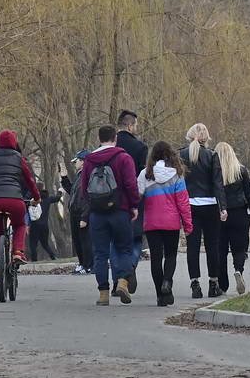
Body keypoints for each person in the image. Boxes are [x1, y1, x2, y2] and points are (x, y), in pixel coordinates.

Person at [80, 125, 140, 306]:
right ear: (115, 138)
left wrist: (93, 205)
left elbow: (84, 188)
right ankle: (122, 282)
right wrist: (134, 205)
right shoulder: (123, 158)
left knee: (100, 254)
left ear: (99, 138)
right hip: (120, 211)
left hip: (97, 214)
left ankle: (103, 294)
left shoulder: (89, 160)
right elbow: (130, 184)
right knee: (124, 249)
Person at [0, 130, 40, 285]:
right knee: (20, 224)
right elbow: (30, 180)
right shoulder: (18, 158)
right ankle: (18, 252)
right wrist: (37, 197)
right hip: (14, 200)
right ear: (14, 142)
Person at [138, 140, 193, 306]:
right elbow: (183, 203)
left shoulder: (145, 174)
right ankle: (167, 281)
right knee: (170, 255)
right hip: (171, 222)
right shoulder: (176, 175)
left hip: (152, 222)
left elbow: (136, 197)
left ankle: (160, 296)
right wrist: (188, 224)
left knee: (156, 258)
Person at [179, 123, 227, 298]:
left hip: (190, 205)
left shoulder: (181, 155)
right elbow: (217, 183)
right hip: (210, 205)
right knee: (212, 245)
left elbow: (178, 182)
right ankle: (213, 283)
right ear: (206, 137)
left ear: (189, 135)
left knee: (192, 246)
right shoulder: (212, 155)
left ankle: (195, 284)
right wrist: (223, 207)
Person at [216, 142, 250, 295]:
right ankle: (238, 270)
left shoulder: (215, 173)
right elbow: (249, 195)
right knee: (239, 248)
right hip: (240, 213)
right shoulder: (241, 171)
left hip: (220, 214)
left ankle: (223, 284)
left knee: (221, 250)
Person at [115, 110, 149, 293]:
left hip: (111, 199)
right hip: (134, 198)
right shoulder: (140, 147)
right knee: (135, 238)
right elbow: (143, 176)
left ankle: (117, 281)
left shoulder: (110, 145)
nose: (136, 128)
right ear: (129, 125)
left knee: (115, 241)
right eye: (135, 125)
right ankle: (129, 269)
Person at [67, 151, 92, 274]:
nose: (74, 164)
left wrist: (84, 217)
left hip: (82, 213)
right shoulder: (79, 176)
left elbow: (87, 198)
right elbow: (72, 192)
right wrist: (64, 178)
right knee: (78, 241)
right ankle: (82, 263)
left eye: (76, 161)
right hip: (75, 213)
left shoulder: (86, 176)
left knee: (85, 241)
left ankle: (88, 265)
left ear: (83, 161)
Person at [27, 182, 59, 261]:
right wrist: (60, 192)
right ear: (43, 188)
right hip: (44, 225)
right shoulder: (48, 199)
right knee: (45, 244)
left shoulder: (32, 199)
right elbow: (57, 198)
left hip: (34, 225)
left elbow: (25, 202)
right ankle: (53, 257)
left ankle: (34, 260)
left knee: (33, 244)